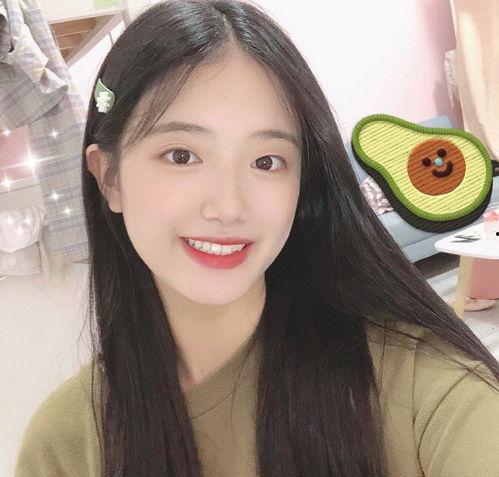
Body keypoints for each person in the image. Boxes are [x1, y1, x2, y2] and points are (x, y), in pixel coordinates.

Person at [14, 1, 499, 476]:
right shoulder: (67, 444)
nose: (229, 207)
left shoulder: (426, 390)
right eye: (182, 155)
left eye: (267, 162)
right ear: (109, 178)